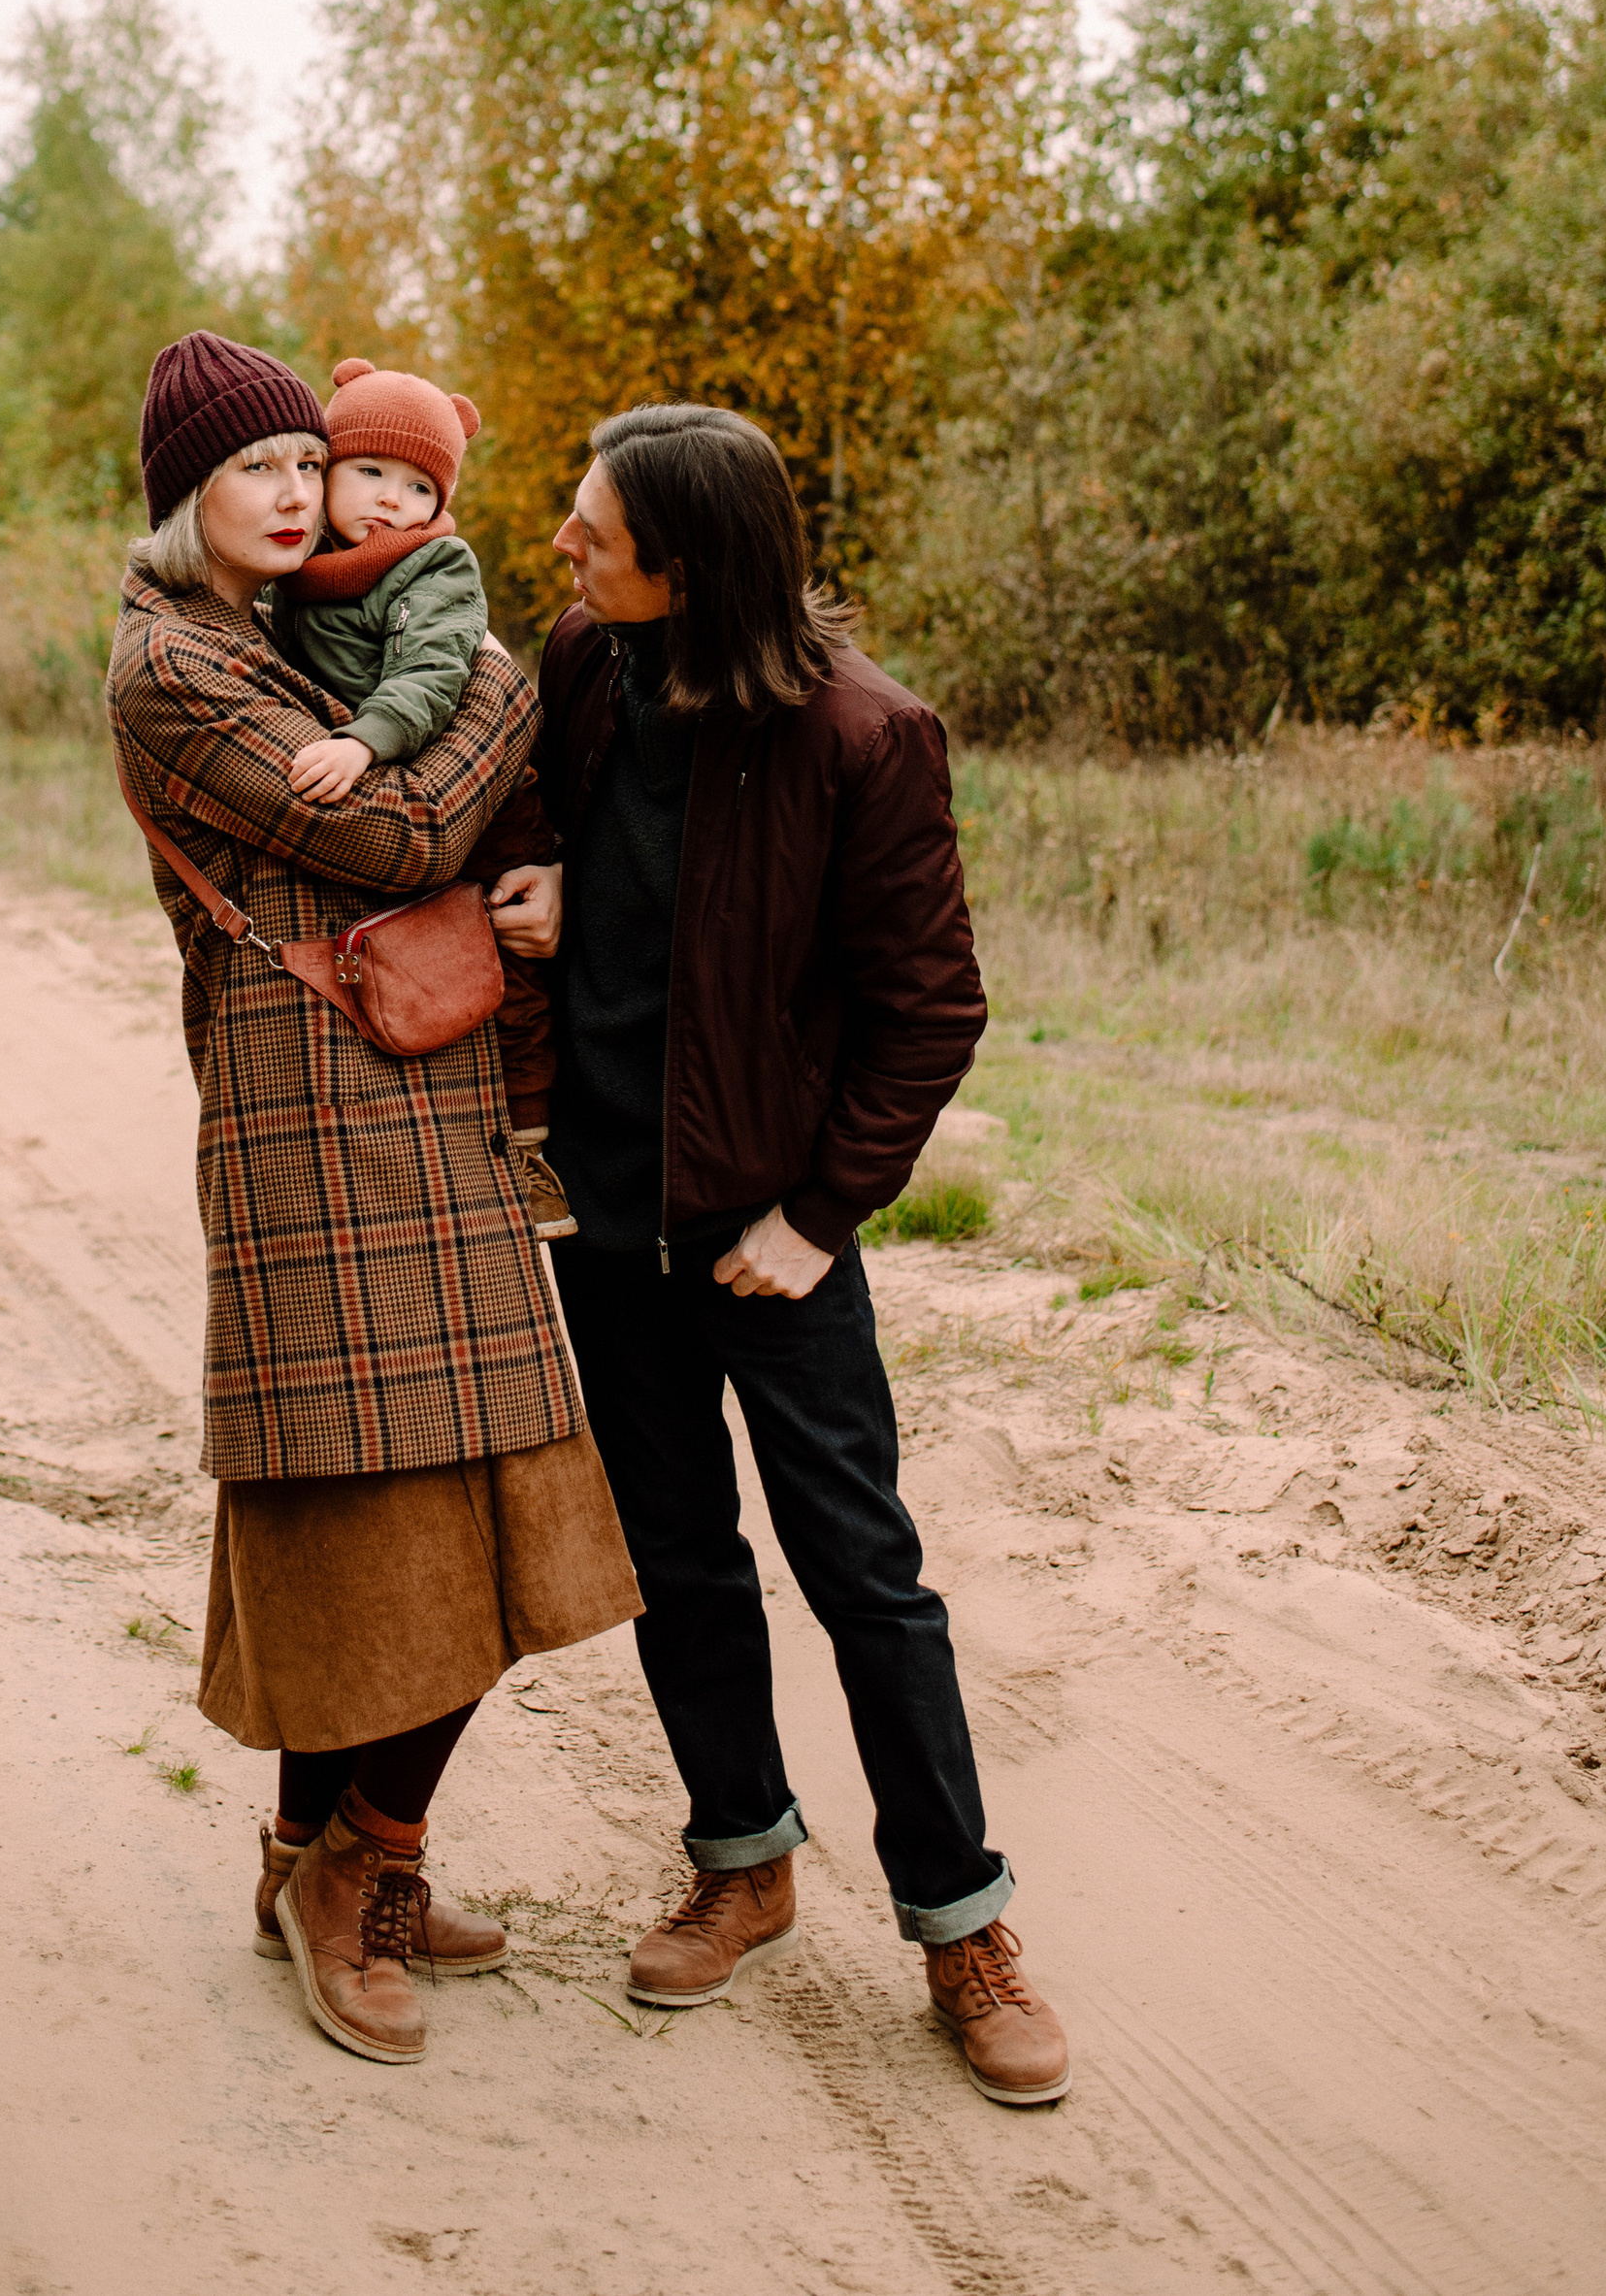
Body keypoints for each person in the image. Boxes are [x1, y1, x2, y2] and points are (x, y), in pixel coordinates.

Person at [492, 402, 1072, 2106]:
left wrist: (820, 1215)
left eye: (592, 527)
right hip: (608, 1219)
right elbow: (537, 803)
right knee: (677, 1558)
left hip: (775, 1236)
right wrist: (534, 867)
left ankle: (961, 1920)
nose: (564, 546)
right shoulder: (591, 662)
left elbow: (930, 1005)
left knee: (865, 1579)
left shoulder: (865, 734)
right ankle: (744, 1857)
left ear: (691, 558)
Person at [105, 329, 640, 2069]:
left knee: (439, 1484)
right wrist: (502, 664)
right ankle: (364, 1864)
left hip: (407, 1102)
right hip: (308, 1132)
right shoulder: (178, 668)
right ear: (189, 498)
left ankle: (305, 1855)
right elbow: (405, 836)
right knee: (398, 1505)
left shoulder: (273, 631)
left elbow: (431, 821)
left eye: (299, 460)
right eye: (250, 468)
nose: (289, 489)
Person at [270, 353, 572, 1236]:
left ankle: (532, 1137)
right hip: (400, 773)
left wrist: (366, 741)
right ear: (326, 469)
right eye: (367, 472)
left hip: (488, 790)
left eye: (416, 485)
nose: (389, 501)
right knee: (435, 949)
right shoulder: (302, 564)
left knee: (507, 956)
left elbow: (436, 671)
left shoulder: (433, 565)